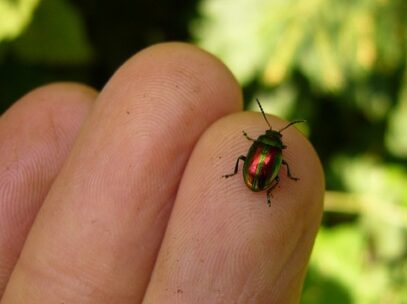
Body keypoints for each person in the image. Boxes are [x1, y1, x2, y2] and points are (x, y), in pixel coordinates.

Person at [0, 42, 324, 303]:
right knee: (274, 176)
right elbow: (274, 170)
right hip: (259, 183)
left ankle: (243, 182)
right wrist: (270, 183)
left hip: (251, 178)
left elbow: (250, 158)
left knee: (251, 167)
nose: (273, 141)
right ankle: (257, 188)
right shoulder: (277, 154)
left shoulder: (259, 146)